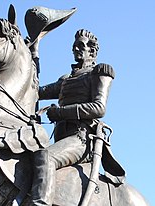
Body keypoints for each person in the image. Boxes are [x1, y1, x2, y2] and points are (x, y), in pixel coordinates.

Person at [30, 29, 116, 206]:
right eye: (74, 47)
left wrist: (60, 113)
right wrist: (32, 55)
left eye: (81, 46)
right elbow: (34, 92)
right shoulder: (66, 79)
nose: (76, 49)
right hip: (62, 138)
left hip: (82, 139)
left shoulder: (99, 72)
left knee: (46, 157)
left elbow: (99, 108)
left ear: (91, 50)